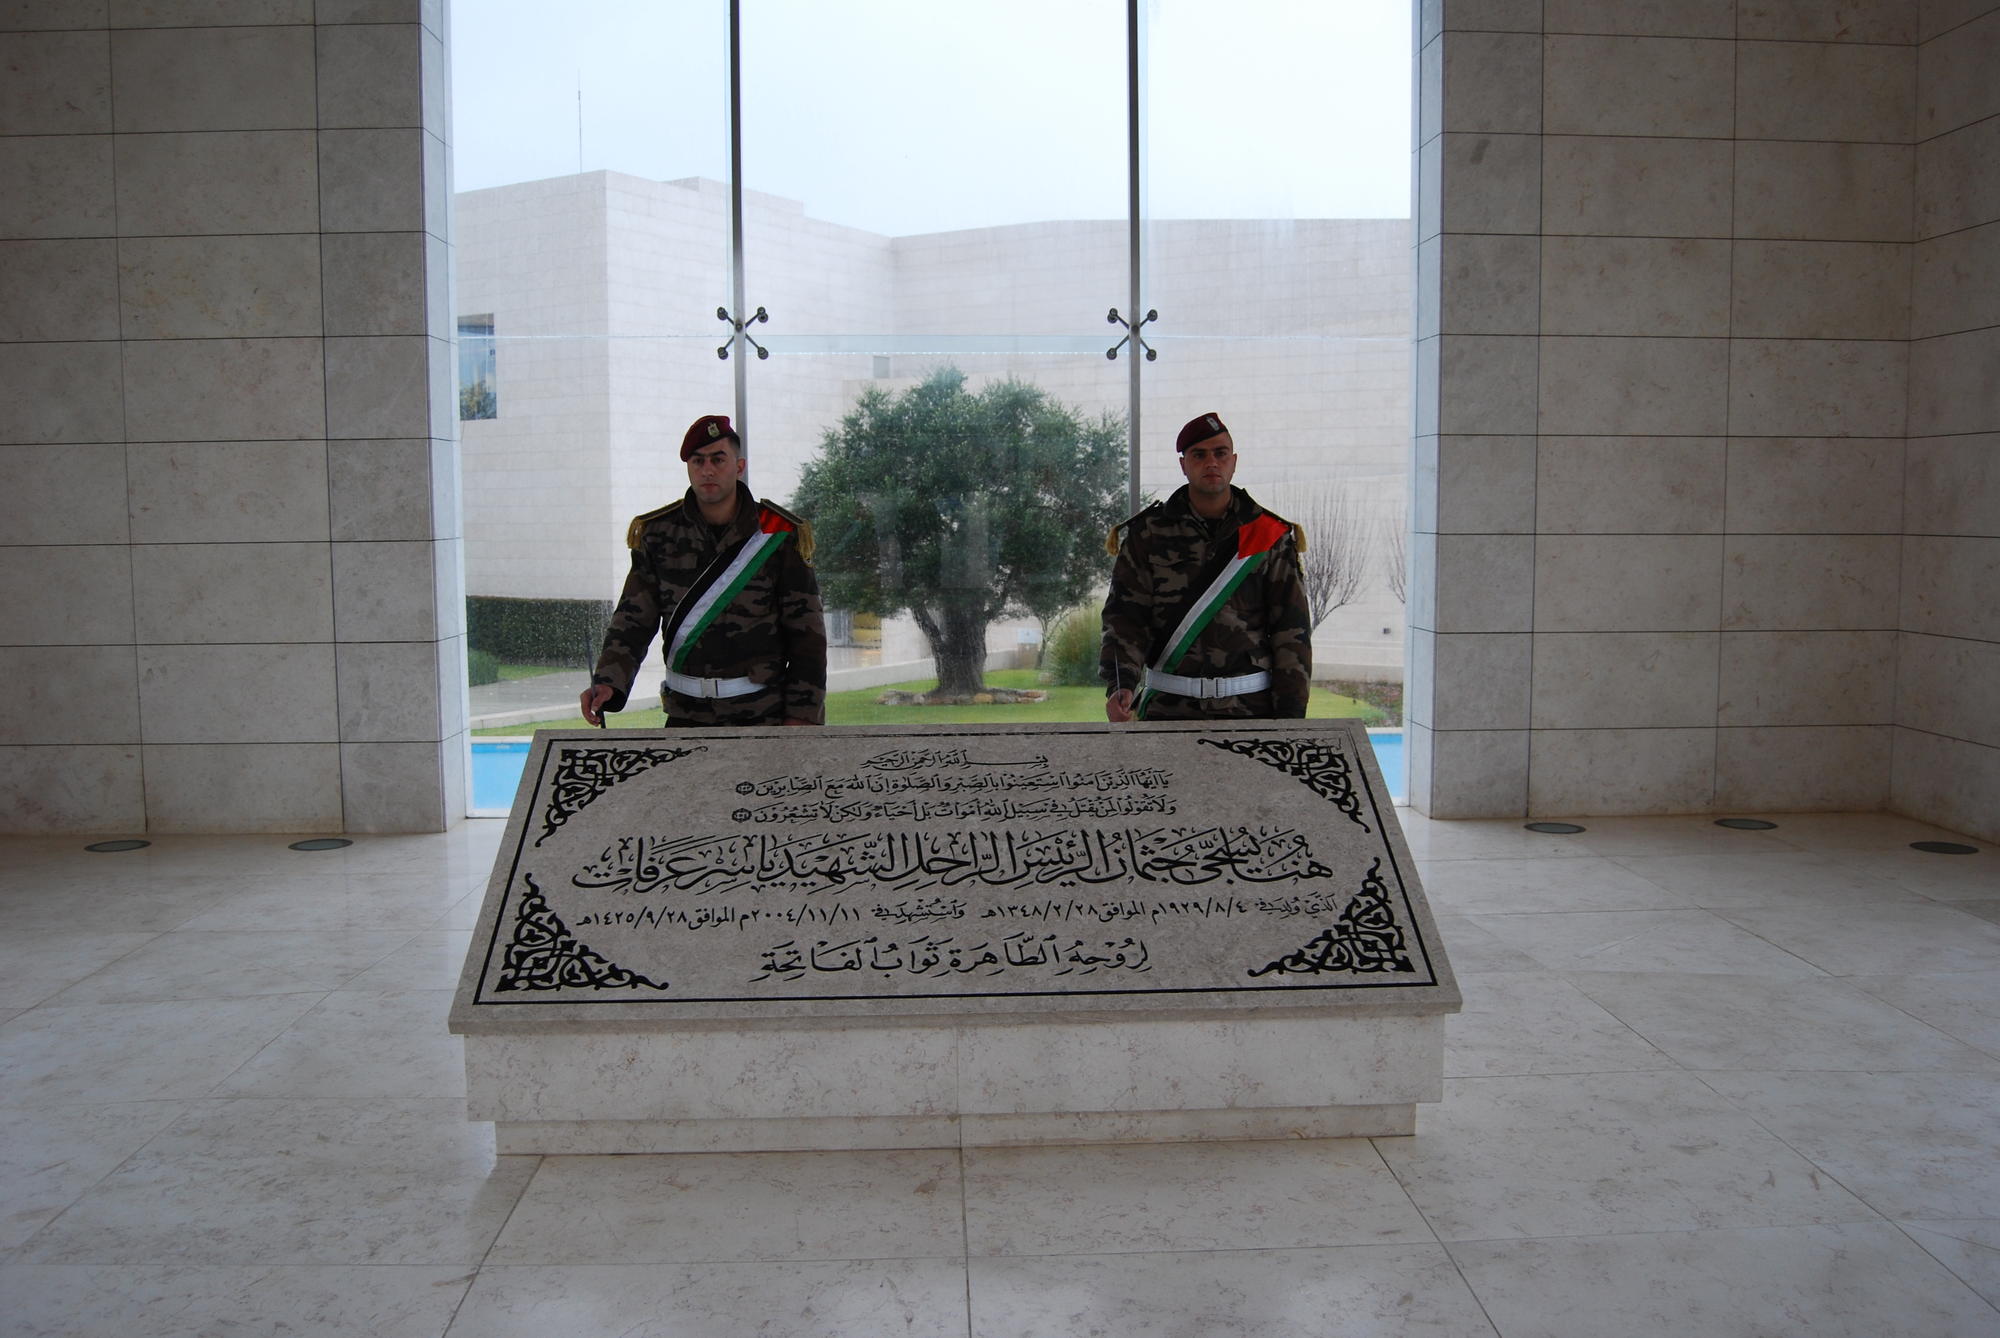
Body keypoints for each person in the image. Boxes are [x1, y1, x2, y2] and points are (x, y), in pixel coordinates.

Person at [579, 414, 827, 727]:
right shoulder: (657, 534)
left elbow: (807, 636)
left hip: (761, 715)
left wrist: (803, 716)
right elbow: (633, 620)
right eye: (697, 461)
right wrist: (608, 682)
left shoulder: (778, 534)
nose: (707, 470)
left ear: (739, 467)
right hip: (685, 715)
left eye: (717, 459)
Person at [1100, 412, 1311, 722]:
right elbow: (1125, 620)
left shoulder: (1269, 535)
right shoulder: (1147, 534)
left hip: (1250, 710)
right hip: (1169, 710)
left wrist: (1291, 715)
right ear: (1184, 464)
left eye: (1220, 453)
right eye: (1199, 454)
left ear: (1234, 461)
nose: (1211, 462)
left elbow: (1291, 632)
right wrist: (1121, 684)